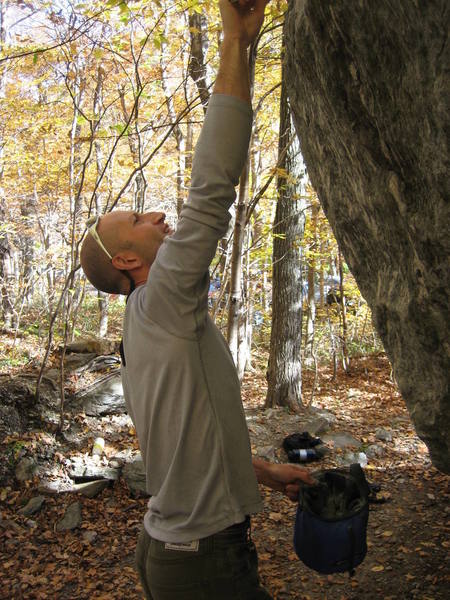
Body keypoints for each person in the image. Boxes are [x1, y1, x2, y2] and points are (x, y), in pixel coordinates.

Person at [80, 1, 313, 597]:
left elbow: (182, 449)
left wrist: (260, 473)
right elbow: (212, 191)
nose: (157, 213)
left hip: (173, 552)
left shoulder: (148, 328)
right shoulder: (159, 302)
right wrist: (235, 40)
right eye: (138, 217)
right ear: (126, 260)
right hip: (204, 563)